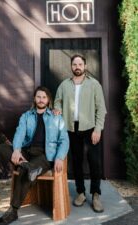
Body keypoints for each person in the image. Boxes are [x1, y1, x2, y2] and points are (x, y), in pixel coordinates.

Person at [0, 86, 69, 225]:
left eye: (44, 97)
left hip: (46, 155)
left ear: (48, 100)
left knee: (24, 171)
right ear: (34, 99)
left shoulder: (56, 117)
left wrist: (59, 157)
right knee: (2, 148)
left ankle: (13, 210)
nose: (41, 100)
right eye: (38, 97)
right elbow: (19, 133)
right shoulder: (26, 116)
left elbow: (64, 140)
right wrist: (16, 150)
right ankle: (28, 166)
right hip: (27, 152)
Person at [54, 54, 107, 213]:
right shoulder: (64, 85)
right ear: (71, 66)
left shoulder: (94, 84)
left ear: (85, 66)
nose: (77, 67)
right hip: (71, 127)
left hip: (90, 127)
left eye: (80, 64)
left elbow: (101, 109)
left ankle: (96, 194)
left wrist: (98, 129)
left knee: (94, 161)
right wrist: (58, 109)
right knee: (76, 161)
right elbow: (57, 100)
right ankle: (81, 192)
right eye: (74, 64)